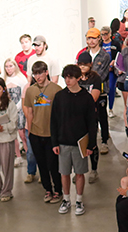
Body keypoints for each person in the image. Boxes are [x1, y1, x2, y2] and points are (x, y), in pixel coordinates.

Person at [51, 64, 96, 216]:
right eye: (65, 77)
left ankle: (79, 200)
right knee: (64, 173)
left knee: (79, 173)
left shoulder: (86, 97)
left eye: (70, 77)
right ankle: (66, 199)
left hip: (79, 143)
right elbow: (54, 120)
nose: (67, 80)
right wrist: (54, 142)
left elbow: (92, 122)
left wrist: (91, 144)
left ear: (78, 78)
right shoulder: (60, 96)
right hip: (63, 142)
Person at [24, 61, 64, 204]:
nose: (38, 76)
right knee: (41, 164)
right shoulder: (31, 90)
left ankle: (58, 190)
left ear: (46, 72)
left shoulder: (56, 89)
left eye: (40, 73)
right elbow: (29, 111)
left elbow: (61, 114)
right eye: (35, 74)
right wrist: (29, 130)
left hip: (51, 134)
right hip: (36, 133)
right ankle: (48, 189)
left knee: (53, 164)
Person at [82, 28, 112, 157]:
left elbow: (102, 75)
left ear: (99, 38)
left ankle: (104, 140)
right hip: (85, 91)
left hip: (101, 91)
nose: (91, 41)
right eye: (89, 38)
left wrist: (88, 78)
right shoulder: (83, 54)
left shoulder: (104, 55)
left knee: (101, 116)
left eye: (93, 38)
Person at [76, 53, 105, 184]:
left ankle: (94, 169)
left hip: (91, 115)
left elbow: (94, 96)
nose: (82, 67)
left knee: (91, 143)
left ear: (90, 65)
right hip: (76, 116)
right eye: (80, 65)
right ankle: (78, 171)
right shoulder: (75, 77)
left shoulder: (95, 78)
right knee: (77, 144)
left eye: (85, 65)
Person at [3, 58, 30, 169]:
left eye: (11, 66)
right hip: (9, 111)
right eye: (7, 66)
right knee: (13, 135)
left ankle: (29, 156)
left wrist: (17, 107)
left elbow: (25, 94)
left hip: (19, 110)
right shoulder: (4, 80)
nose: (9, 68)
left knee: (22, 134)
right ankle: (18, 157)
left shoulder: (21, 79)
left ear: (15, 66)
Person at [100, 26, 123, 117]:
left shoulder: (115, 44)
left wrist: (114, 62)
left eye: (106, 34)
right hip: (102, 70)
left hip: (112, 70)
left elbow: (119, 55)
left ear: (110, 33)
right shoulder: (100, 44)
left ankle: (110, 108)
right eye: (102, 34)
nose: (104, 36)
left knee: (111, 89)